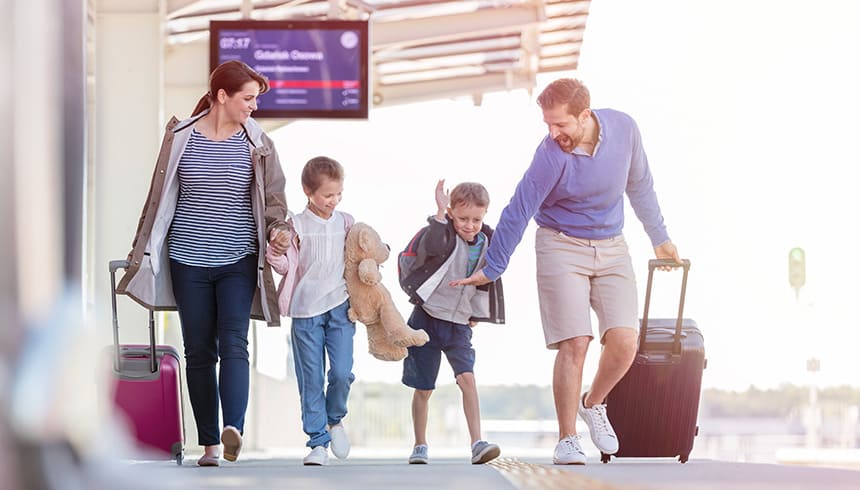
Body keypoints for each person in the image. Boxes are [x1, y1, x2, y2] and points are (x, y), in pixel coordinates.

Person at [452, 78, 682, 465]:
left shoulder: (624, 129)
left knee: (625, 341)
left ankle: (593, 403)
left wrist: (660, 239)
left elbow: (640, 186)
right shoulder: (550, 155)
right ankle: (567, 439)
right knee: (576, 342)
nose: (553, 133)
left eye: (561, 125)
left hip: (612, 245)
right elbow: (519, 208)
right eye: (548, 125)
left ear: (585, 115)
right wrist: (493, 266)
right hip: (560, 244)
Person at [117, 60, 291, 467]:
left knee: (234, 343)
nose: (254, 106)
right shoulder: (181, 137)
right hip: (187, 259)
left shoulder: (259, 143)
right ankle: (209, 446)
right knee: (198, 351)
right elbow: (157, 198)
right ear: (221, 96)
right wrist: (141, 249)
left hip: (237, 258)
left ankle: (234, 430)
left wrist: (280, 229)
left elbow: (276, 201)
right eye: (248, 98)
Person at [400, 180, 505, 465]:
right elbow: (430, 246)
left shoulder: (486, 242)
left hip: (458, 324)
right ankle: (420, 444)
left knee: (467, 379)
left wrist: (476, 313)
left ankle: (477, 443)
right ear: (451, 212)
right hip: (427, 318)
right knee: (424, 388)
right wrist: (438, 213)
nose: (469, 225)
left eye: (476, 219)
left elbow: (487, 282)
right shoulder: (443, 233)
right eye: (462, 218)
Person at [266, 156, 356, 466]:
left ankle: (336, 419)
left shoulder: (346, 222)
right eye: (328, 195)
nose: (334, 201)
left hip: (340, 309)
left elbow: (360, 258)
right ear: (308, 191)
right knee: (311, 380)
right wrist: (275, 251)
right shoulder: (296, 225)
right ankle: (318, 442)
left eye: (339, 194)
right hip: (306, 313)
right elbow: (285, 266)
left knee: (342, 373)